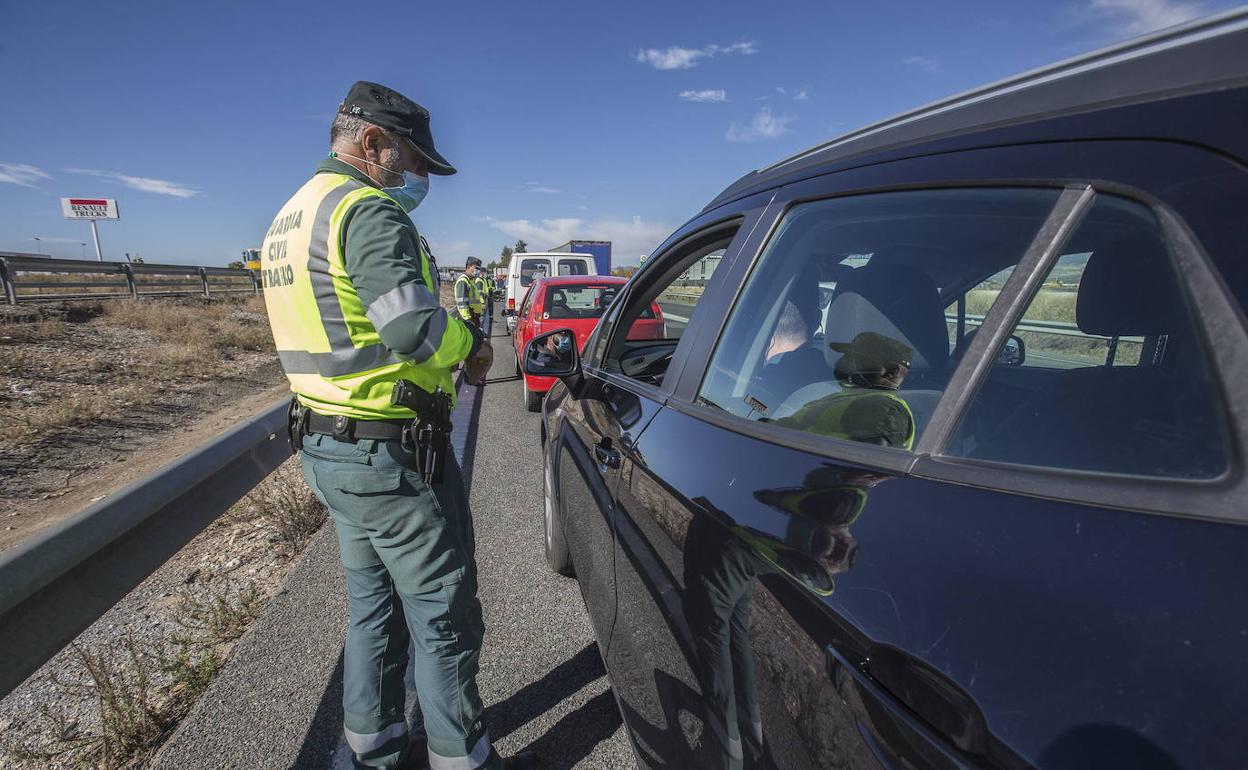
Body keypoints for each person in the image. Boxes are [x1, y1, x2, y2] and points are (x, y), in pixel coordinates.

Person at [260, 80, 535, 770]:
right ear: (371, 142)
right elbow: (411, 325)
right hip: (390, 453)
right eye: (412, 162)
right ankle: (459, 756)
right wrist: (471, 350)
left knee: (372, 607)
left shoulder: (292, 216)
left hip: (329, 446)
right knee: (444, 614)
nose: (415, 179)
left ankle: (371, 746)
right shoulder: (366, 210)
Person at [775, 331, 916, 449]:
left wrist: (797, 431)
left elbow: (869, 453)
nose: (843, 361)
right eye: (846, 355)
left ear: (890, 371)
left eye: (857, 358)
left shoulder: (883, 406)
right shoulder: (853, 396)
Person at [455, 257, 485, 328]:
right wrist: (468, 320)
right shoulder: (463, 281)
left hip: (474, 317)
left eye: (478, 269)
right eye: (475, 268)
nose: (477, 271)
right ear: (468, 267)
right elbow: (462, 304)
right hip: (468, 319)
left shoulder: (471, 281)